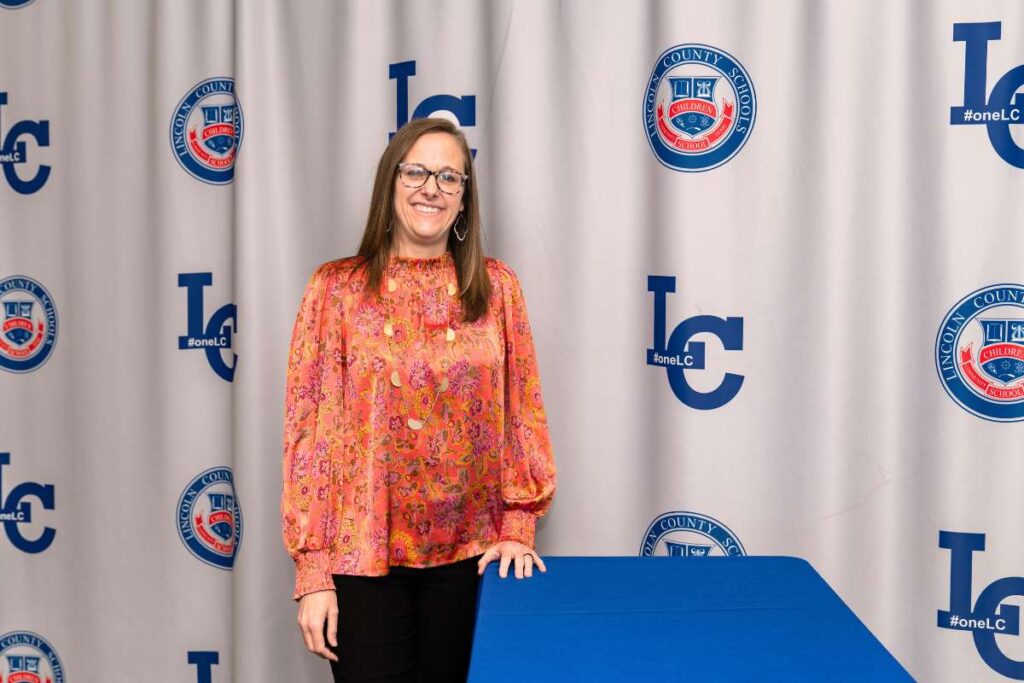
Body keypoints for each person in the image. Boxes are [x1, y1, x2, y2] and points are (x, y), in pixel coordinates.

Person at [281, 117, 557, 682]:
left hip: (473, 558)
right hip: (363, 559)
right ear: (390, 183)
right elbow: (308, 433)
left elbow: (522, 412)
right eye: (416, 172)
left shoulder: (498, 289)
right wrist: (312, 568)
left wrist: (518, 525)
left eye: (449, 177)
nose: (432, 188)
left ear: (464, 199)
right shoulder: (335, 290)